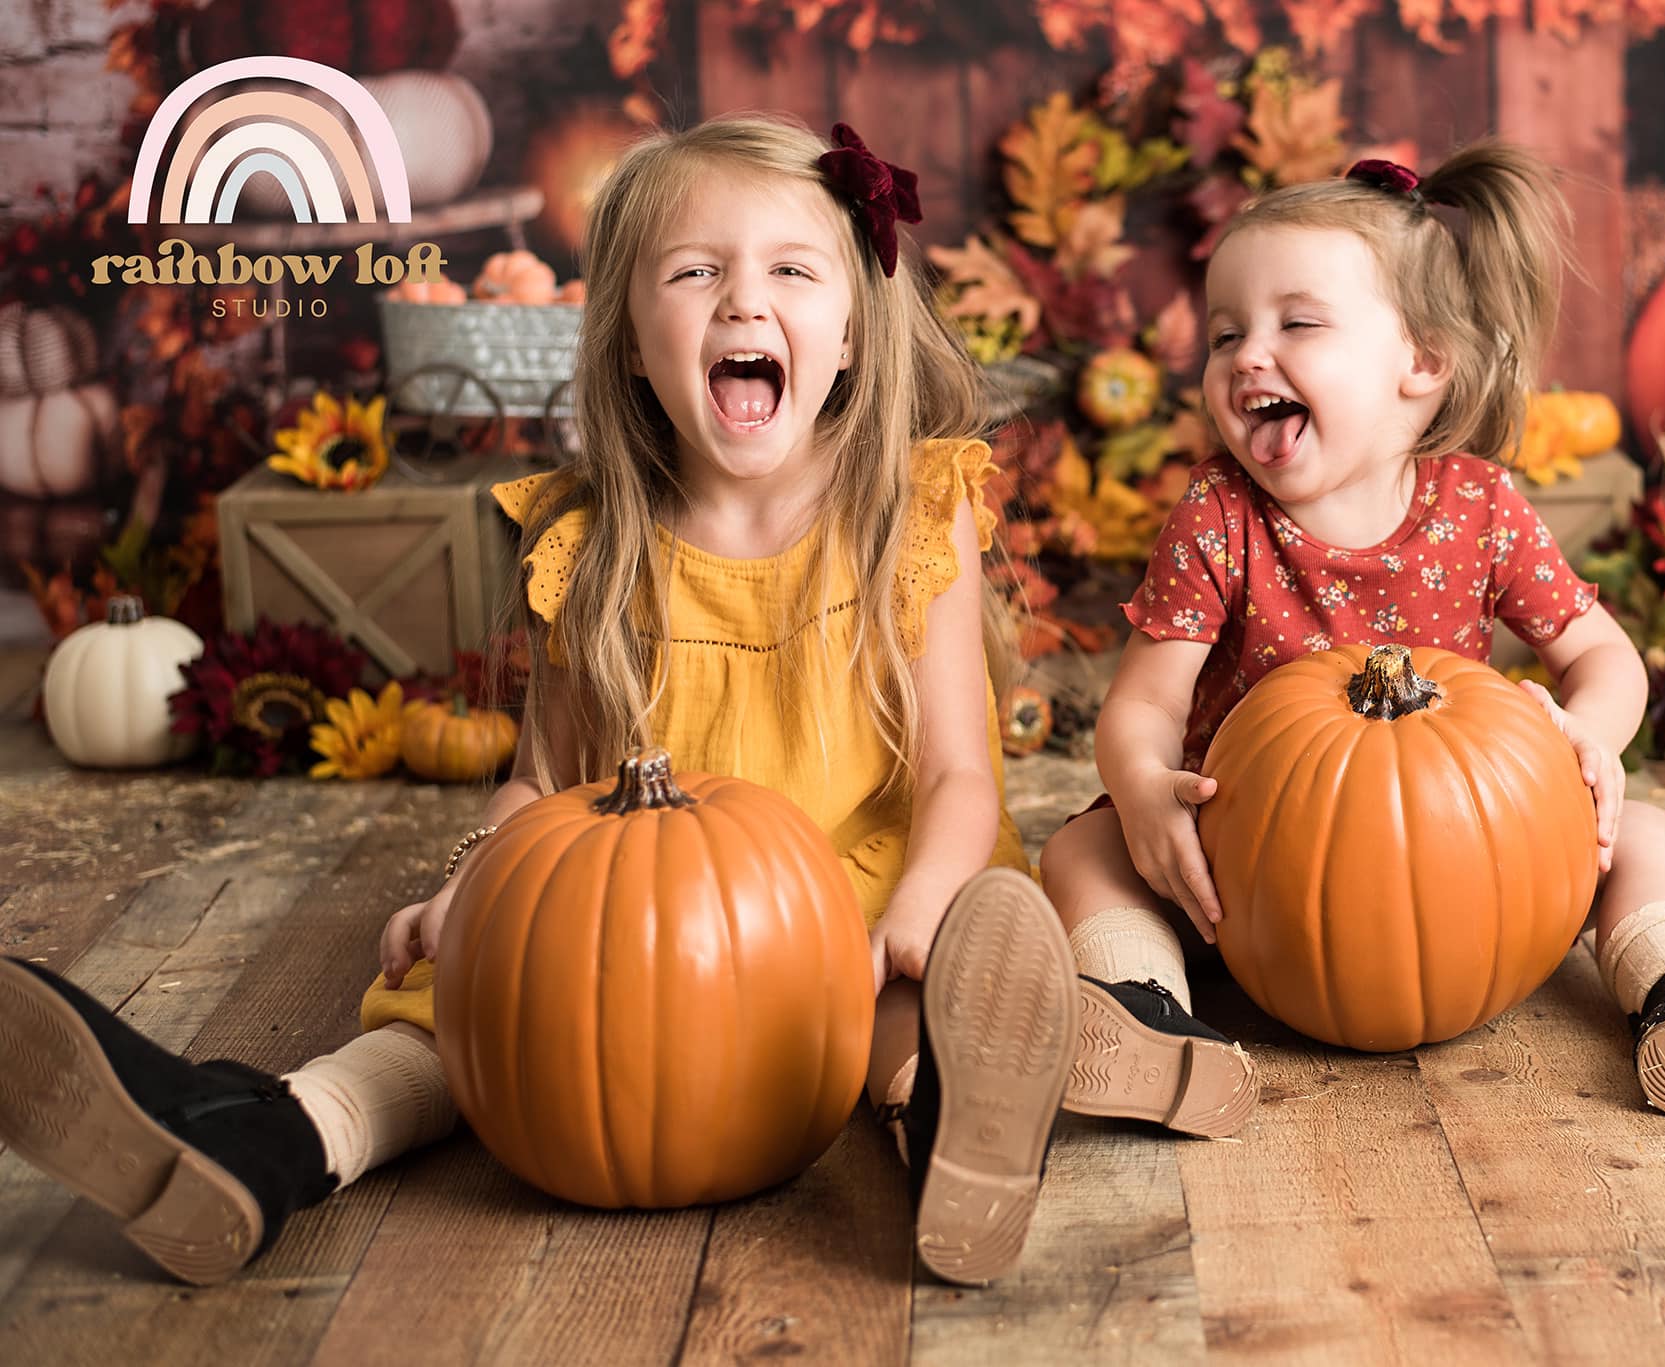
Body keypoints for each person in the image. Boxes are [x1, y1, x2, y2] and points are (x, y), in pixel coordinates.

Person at [0, 114, 1102, 1290]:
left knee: (902, 1014)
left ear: (850, 332)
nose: (741, 302)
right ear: (630, 340)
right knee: (456, 1012)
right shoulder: (593, 545)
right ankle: (270, 1136)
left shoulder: (906, 505)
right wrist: (474, 876)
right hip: (651, 918)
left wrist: (922, 911)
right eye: (694, 271)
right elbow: (545, 776)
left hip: (869, 880)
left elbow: (953, 777)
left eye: (790, 269)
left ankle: (957, 1137)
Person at [1038, 144, 1665, 1116]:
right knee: (1083, 852)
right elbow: (1144, 703)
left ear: (1421, 362)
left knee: (1648, 835)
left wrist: (1584, 735)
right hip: (1243, 871)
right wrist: (1142, 790)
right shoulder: (1218, 514)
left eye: (1295, 323)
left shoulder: (1478, 505)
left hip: (1459, 855)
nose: (1247, 354)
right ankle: (1143, 1019)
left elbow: (1599, 653)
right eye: (1222, 333)